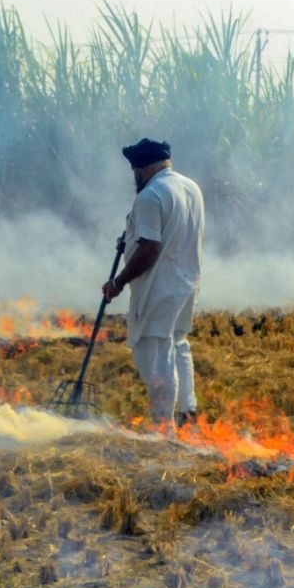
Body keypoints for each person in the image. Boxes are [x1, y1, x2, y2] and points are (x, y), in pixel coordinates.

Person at [102, 138, 205, 429]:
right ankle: (188, 412)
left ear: (141, 169)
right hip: (187, 283)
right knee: (177, 343)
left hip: (159, 287)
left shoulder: (150, 195)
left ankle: (164, 428)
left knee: (156, 352)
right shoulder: (190, 187)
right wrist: (130, 240)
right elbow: (167, 233)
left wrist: (118, 282)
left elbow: (150, 248)